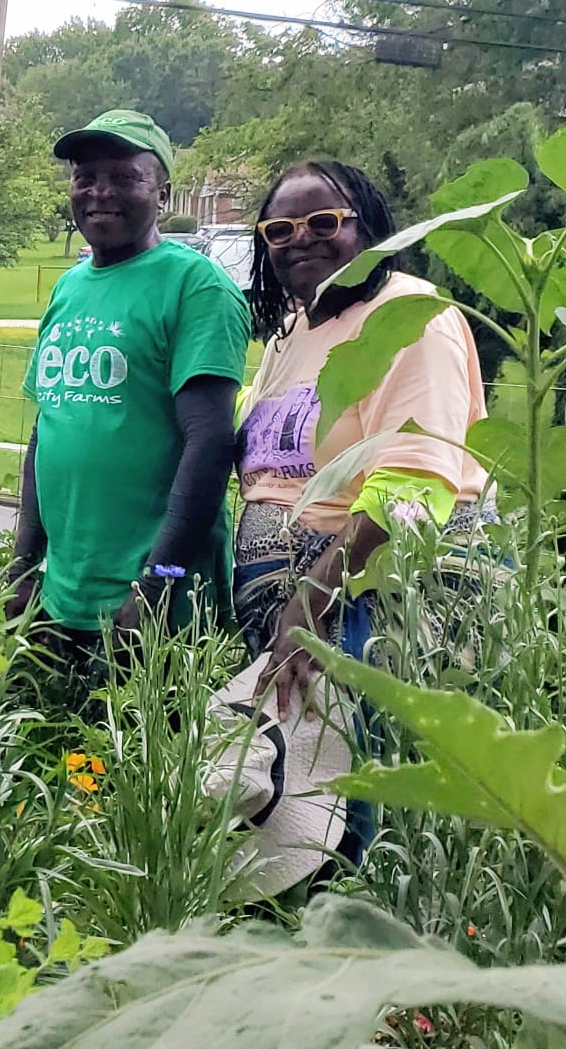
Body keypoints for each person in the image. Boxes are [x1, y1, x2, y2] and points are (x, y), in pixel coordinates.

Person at [236, 161, 490, 717]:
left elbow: (412, 486)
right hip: (300, 614)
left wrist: (311, 601)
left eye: (323, 222)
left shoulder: (408, 318)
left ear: (368, 228)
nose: (301, 238)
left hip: (368, 606)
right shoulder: (292, 334)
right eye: (279, 230)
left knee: (372, 766)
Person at [7, 109, 250, 673]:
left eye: (123, 177)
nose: (100, 192)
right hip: (64, 594)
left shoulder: (196, 287)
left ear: (162, 193)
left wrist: (158, 583)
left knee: (144, 734)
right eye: (85, 177)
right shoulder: (69, 288)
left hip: (153, 606)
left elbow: (210, 443)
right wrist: (24, 565)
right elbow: (48, 430)